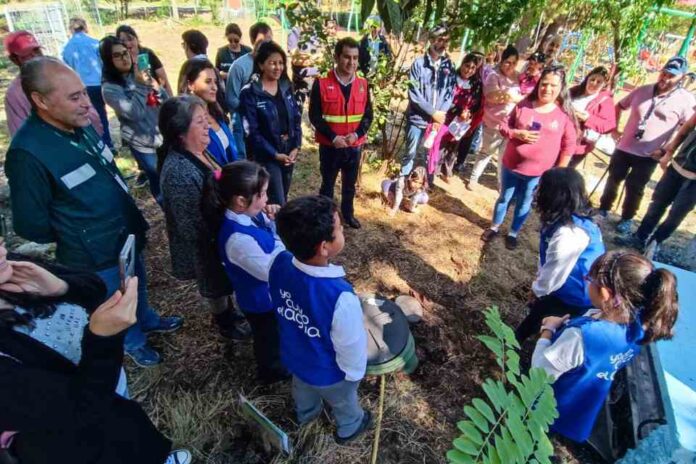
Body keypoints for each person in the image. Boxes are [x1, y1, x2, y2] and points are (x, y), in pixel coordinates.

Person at [5, 57, 182, 368]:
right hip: (93, 253)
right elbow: (31, 225)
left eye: (84, 93)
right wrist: (79, 231)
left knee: (136, 281)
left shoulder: (78, 126)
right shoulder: (28, 153)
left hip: (124, 233)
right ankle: (132, 342)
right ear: (40, 100)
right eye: (75, 97)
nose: (87, 103)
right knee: (112, 298)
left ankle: (147, 318)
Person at [0, 242, 192, 464]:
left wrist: (62, 287)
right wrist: (103, 338)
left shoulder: (11, 268)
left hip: (107, 385)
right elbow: (82, 409)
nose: (3, 249)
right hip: (75, 444)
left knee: (126, 426)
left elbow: (95, 287)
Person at [532, 250, 678, 443]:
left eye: (589, 279)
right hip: (578, 408)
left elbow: (539, 372)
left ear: (606, 293)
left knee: (530, 436)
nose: (587, 282)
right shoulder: (638, 328)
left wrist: (548, 330)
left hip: (549, 403)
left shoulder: (582, 337)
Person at [270, 195, 371, 443]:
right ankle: (350, 426)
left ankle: (307, 418)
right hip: (330, 374)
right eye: (339, 229)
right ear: (324, 247)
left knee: (302, 392)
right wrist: (354, 375)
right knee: (343, 402)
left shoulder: (279, 262)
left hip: (295, 358)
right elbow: (351, 347)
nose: (343, 230)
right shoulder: (340, 297)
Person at [158, 96, 248, 340]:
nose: (208, 125)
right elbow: (190, 226)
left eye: (206, 118)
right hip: (206, 244)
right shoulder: (178, 172)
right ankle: (226, 324)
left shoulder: (200, 151)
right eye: (200, 121)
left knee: (223, 282)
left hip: (218, 235)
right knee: (215, 286)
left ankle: (231, 313)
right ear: (180, 132)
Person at [201, 161, 288, 384]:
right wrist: (277, 235)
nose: (267, 199)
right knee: (267, 338)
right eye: (263, 194)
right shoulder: (238, 240)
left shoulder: (250, 216)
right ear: (241, 201)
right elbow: (271, 269)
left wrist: (269, 221)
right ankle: (271, 374)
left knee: (274, 334)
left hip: (268, 298)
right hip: (261, 302)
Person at [481, 66, 577, 249]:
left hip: (538, 173)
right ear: (538, 84)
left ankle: (513, 232)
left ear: (561, 88)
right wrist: (516, 133)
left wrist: (559, 172)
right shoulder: (524, 105)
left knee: (525, 202)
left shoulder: (563, 115)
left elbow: (569, 145)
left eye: (553, 86)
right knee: (504, 198)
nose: (547, 89)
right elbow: (503, 126)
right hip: (511, 165)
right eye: (544, 84)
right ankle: (494, 227)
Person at [599, 56, 695, 235]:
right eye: (664, 73)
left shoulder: (686, 100)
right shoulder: (642, 90)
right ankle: (603, 208)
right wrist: (615, 130)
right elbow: (619, 106)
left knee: (635, 187)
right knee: (613, 179)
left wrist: (666, 149)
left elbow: (686, 128)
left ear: (681, 78)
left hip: (650, 154)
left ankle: (627, 218)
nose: (665, 78)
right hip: (624, 147)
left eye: (671, 76)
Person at [515, 168, 605, 342]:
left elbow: (555, 272)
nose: (536, 191)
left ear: (553, 195)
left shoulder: (569, 233)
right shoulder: (567, 219)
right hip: (567, 286)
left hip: (574, 293)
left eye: (541, 188)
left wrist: (537, 291)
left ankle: (514, 350)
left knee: (538, 319)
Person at [310, 37, 373, 229]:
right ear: (337, 57)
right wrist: (333, 137)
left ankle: (348, 215)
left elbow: (368, 115)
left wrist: (358, 134)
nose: (351, 62)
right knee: (327, 185)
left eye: (355, 58)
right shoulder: (321, 83)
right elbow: (314, 116)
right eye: (347, 57)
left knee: (349, 186)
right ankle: (325, 218)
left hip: (354, 147)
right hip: (330, 147)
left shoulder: (363, 84)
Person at [617, 112, 696, 258]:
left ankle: (655, 243)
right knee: (656, 205)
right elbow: (687, 128)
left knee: (676, 214)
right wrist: (668, 153)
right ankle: (640, 237)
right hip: (676, 168)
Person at [394, 24, 455, 210]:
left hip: (436, 123)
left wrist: (440, 116)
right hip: (418, 120)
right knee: (410, 154)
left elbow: (449, 93)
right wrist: (432, 113)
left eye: (445, 40)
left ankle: (418, 193)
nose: (442, 43)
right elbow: (414, 94)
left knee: (429, 157)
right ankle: (400, 191)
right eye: (439, 39)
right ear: (430, 40)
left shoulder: (448, 65)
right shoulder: (419, 64)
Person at [100, 35, 167, 204]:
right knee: (158, 181)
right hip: (142, 142)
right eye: (117, 55)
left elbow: (163, 101)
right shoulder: (110, 89)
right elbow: (134, 113)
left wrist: (157, 89)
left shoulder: (138, 75)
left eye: (126, 52)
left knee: (169, 177)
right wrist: (142, 85)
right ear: (108, 60)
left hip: (161, 135)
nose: (124, 58)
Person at [3, 30, 103, 138]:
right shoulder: (15, 94)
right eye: (27, 54)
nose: (35, 56)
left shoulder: (61, 74)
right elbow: (21, 136)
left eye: (36, 50)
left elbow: (90, 113)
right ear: (14, 59)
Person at [239, 41, 302, 205]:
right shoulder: (250, 92)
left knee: (284, 194)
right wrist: (274, 154)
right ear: (261, 64)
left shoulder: (286, 86)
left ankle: (277, 227)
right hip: (267, 155)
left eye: (281, 63)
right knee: (277, 200)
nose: (278, 67)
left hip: (288, 152)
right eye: (272, 63)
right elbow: (252, 132)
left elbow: (296, 118)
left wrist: (296, 146)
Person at [468, 45, 522, 190]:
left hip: (511, 125)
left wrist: (509, 97)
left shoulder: (517, 77)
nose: (510, 66)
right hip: (494, 122)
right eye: (507, 62)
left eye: (514, 63)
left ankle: (501, 183)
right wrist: (515, 98)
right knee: (486, 151)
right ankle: (473, 178)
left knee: (504, 157)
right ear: (502, 61)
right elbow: (492, 97)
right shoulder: (493, 75)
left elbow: (519, 96)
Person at [62, 17, 112, 149]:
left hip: (81, 87)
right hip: (98, 83)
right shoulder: (95, 43)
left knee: (86, 115)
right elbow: (103, 63)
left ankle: (95, 144)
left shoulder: (67, 48)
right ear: (85, 26)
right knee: (101, 113)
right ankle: (107, 143)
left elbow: (68, 68)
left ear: (71, 29)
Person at [226, 22, 274, 159]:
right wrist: (252, 109)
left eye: (269, 40)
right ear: (253, 41)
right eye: (261, 41)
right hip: (242, 122)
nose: (266, 44)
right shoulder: (239, 67)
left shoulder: (273, 65)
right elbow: (231, 99)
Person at [179, 59, 239, 166]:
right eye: (208, 82)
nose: (214, 87)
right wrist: (220, 177)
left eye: (215, 82)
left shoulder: (217, 112)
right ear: (190, 85)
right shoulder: (188, 123)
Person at [437, 52, 484, 181]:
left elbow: (477, 103)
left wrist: (468, 113)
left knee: (454, 145)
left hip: (461, 121)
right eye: (467, 65)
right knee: (441, 143)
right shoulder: (451, 79)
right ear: (462, 64)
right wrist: (459, 110)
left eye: (473, 68)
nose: (468, 70)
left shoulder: (476, 85)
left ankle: (447, 170)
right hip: (447, 117)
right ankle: (435, 168)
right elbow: (444, 98)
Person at [568, 66, 616, 168]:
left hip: (577, 147)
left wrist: (587, 119)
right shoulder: (574, 91)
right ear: (587, 79)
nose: (594, 83)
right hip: (558, 137)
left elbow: (609, 126)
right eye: (592, 79)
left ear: (604, 85)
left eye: (599, 82)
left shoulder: (605, 101)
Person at [116, 24, 173, 96]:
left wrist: (172, 100)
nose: (127, 43)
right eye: (122, 41)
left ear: (136, 39)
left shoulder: (147, 53)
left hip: (156, 96)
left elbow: (164, 79)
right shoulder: (120, 61)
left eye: (130, 39)